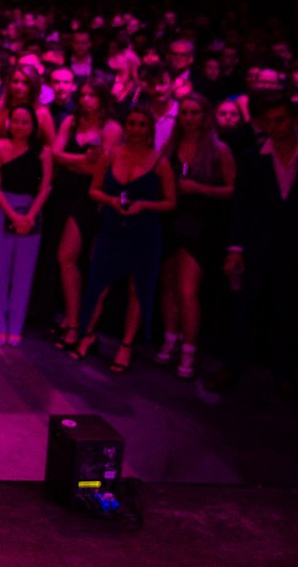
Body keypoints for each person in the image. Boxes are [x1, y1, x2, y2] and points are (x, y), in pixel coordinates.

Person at [211, 96, 298, 394]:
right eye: (269, 121)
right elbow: (241, 204)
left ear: (294, 120)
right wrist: (235, 248)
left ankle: (284, 373)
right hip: (257, 243)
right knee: (244, 308)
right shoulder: (253, 156)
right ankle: (232, 366)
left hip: (297, 246)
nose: (275, 127)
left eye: (280, 120)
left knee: (288, 310)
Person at [69, 106, 177, 373]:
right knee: (98, 284)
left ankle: (126, 345)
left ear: (150, 129)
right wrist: (111, 201)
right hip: (112, 226)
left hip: (144, 231)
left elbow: (171, 202)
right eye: (132, 123)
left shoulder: (160, 162)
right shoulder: (110, 155)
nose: (136, 129)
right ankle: (87, 335)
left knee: (137, 289)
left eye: (142, 124)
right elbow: (93, 190)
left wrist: (144, 205)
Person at [155, 94, 235, 380]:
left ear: (205, 117)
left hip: (200, 222)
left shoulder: (218, 149)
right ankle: (170, 338)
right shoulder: (171, 145)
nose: (188, 118)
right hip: (171, 217)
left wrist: (200, 188)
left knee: (187, 290)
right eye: (185, 113)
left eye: (194, 113)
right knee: (168, 286)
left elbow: (233, 190)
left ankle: (189, 349)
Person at [50, 82, 124, 349]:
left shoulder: (111, 128)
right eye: (82, 94)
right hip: (64, 194)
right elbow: (55, 154)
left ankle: (78, 325)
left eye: (92, 95)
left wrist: (71, 162)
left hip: (91, 198)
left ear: (102, 98)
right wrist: (82, 160)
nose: (85, 99)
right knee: (65, 259)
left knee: (71, 258)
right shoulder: (70, 122)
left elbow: (102, 169)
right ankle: (73, 320)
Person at [0, 105, 53, 346]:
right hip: (3, 209)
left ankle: (16, 326)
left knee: (24, 272)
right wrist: (12, 215)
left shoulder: (43, 152)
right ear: (9, 123)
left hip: (31, 212)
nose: (19, 126)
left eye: (25, 122)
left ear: (33, 126)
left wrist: (30, 215)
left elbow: (45, 187)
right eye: (15, 121)